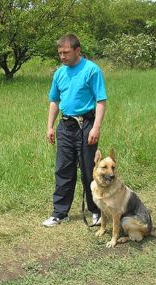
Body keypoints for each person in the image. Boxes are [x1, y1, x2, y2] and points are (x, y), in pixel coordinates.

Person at [42, 34, 107, 227]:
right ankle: (60, 213)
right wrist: (50, 126)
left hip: (87, 125)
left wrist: (96, 127)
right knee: (63, 170)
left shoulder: (92, 70)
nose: (62, 57)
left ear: (77, 51)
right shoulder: (59, 73)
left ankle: (96, 210)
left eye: (66, 53)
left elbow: (101, 100)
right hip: (66, 126)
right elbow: (55, 100)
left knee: (89, 170)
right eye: (60, 53)